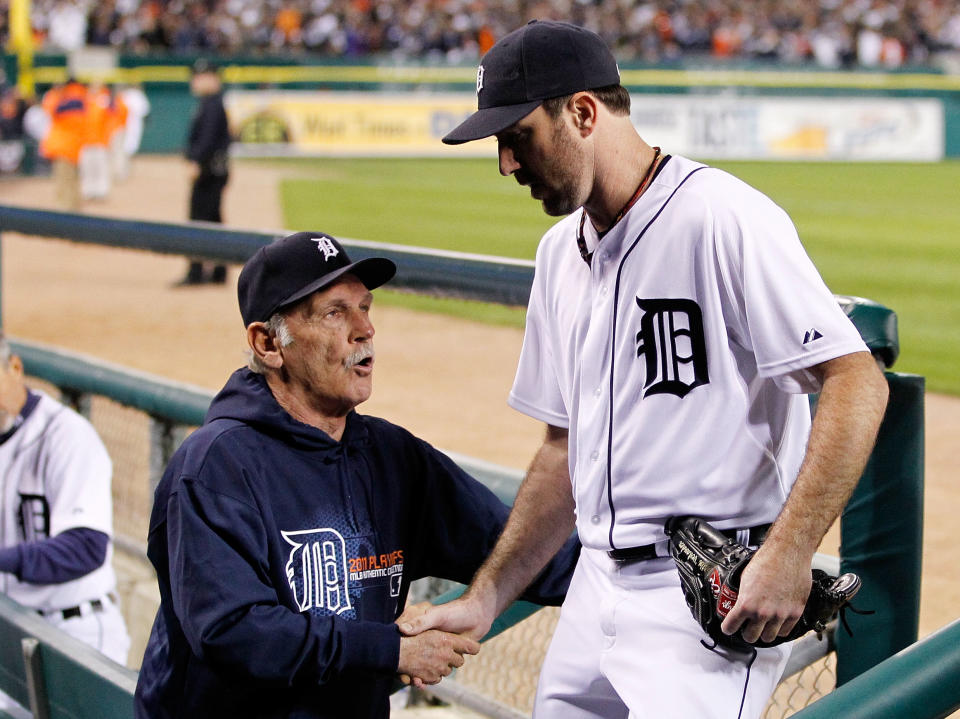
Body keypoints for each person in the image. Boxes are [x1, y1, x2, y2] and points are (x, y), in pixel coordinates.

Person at [400, 20, 890, 719]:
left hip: (705, 601)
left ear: (583, 112)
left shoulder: (722, 217)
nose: (506, 163)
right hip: (595, 582)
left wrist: (790, 551)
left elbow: (855, 379)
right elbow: (561, 450)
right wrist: (486, 597)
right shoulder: (556, 254)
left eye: (517, 136)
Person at [133, 231, 578, 719]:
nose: (365, 329)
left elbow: (518, 547)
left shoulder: (391, 457)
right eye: (334, 313)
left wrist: (640, 560)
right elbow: (233, 632)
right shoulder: (214, 468)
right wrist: (389, 648)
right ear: (268, 343)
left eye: (365, 308)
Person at [0, 331, 130, 716]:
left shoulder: (67, 437)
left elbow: (84, 548)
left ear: (15, 367)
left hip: (77, 633)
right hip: (12, 636)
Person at [177, 58, 231, 286]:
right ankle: (218, 269)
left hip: (209, 169)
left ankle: (197, 271)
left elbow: (207, 139)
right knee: (213, 219)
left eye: (199, 76)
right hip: (216, 169)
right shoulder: (212, 103)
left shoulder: (212, 104)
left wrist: (196, 161)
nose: (195, 81)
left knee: (199, 219)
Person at [39, 77, 88, 211]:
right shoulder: (83, 97)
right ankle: (74, 211)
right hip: (74, 146)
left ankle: (65, 215)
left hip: (63, 146)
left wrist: (55, 92)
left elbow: (50, 108)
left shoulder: (69, 99)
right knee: (72, 181)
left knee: (64, 183)